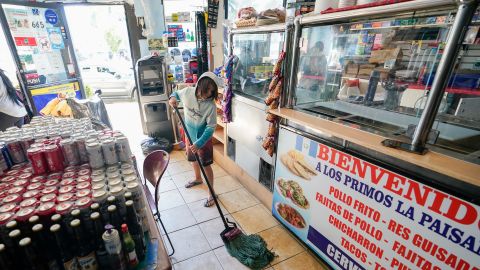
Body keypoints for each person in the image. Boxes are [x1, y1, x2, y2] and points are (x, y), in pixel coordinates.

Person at [169, 72, 219, 207]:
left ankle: (211, 192)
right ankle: (198, 178)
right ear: (200, 85)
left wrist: (200, 143)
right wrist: (173, 98)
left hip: (204, 139)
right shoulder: (188, 92)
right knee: (193, 160)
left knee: (206, 165)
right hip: (189, 135)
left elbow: (211, 127)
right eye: (207, 90)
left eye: (212, 91)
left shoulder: (211, 105)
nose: (209, 94)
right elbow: (176, 94)